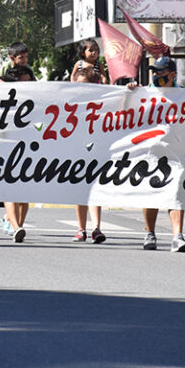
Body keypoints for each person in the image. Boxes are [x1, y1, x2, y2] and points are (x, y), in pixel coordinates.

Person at [128, 57, 185, 252]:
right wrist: (129, 93)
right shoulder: (145, 93)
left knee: (176, 192)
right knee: (151, 192)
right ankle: (150, 233)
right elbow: (126, 113)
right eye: (154, 72)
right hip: (151, 151)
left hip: (178, 151)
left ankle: (177, 236)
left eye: (160, 72)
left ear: (172, 75)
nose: (156, 75)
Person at [71, 65, 106, 244]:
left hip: (97, 148)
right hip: (78, 149)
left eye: (84, 84)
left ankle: (96, 228)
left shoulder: (102, 101)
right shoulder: (73, 102)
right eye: (78, 84)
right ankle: (81, 228)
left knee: (95, 188)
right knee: (80, 189)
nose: (80, 88)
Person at [0, 65, 33, 243]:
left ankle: (16, 223)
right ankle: (15, 227)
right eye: (23, 80)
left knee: (24, 194)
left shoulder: (36, 100)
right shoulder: (6, 98)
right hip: (7, 147)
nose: (26, 84)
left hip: (27, 149)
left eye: (29, 80)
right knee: (10, 189)